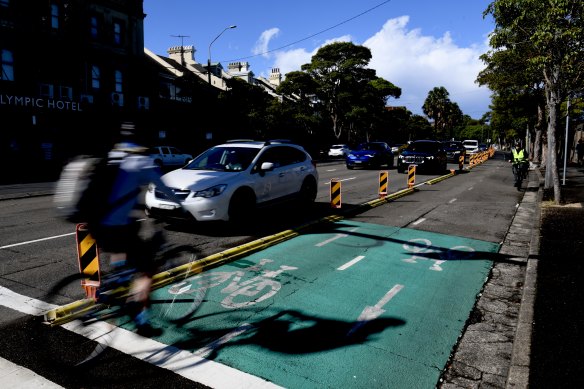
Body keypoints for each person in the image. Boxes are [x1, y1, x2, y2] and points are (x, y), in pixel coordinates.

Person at [89, 123, 183, 336]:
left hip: (95, 222)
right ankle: (141, 320)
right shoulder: (142, 161)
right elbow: (163, 187)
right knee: (147, 268)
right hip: (118, 227)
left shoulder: (113, 155)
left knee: (121, 252)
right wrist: (182, 205)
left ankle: (114, 286)